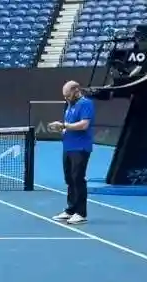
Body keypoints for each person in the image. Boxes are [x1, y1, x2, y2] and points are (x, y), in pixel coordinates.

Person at [50, 80, 95, 225]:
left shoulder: (86, 104)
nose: (66, 98)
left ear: (76, 90)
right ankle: (70, 210)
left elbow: (84, 125)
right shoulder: (70, 105)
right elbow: (68, 126)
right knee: (69, 179)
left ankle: (81, 213)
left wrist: (64, 125)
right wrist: (61, 129)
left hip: (80, 148)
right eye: (65, 96)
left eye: (68, 95)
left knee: (78, 178)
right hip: (68, 147)